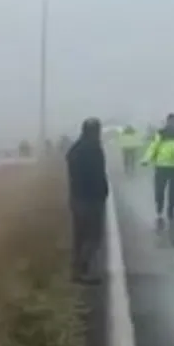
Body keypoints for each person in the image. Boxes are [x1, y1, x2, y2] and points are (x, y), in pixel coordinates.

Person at [65, 118, 109, 284]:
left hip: (77, 197)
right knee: (93, 236)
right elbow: (97, 174)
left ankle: (76, 271)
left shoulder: (75, 149)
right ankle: (84, 270)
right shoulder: (93, 149)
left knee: (80, 237)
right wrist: (102, 191)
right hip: (91, 199)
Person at [142, 112, 174, 220]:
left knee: (173, 191)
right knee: (159, 190)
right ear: (167, 121)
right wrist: (146, 159)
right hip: (161, 166)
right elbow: (153, 147)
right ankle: (159, 205)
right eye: (171, 121)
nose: (172, 123)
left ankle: (171, 210)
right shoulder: (161, 133)